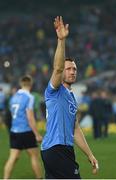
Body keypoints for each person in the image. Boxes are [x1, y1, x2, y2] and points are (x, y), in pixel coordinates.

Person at [41, 16, 99, 179]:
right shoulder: (54, 90)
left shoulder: (70, 97)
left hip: (60, 150)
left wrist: (89, 154)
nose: (72, 71)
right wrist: (61, 40)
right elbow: (57, 69)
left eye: (74, 69)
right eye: (69, 69)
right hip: (57, 149)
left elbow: (75, 128)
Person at [3, 75, 42, 179]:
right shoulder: (29, 97)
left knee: (13, 158)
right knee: (34, 157)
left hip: (14, 131)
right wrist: (37, 134)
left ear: (21, 84)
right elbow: (30, 117)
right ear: (31, 84)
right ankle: (39, 178)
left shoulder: (13, 97)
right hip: (26, 131)